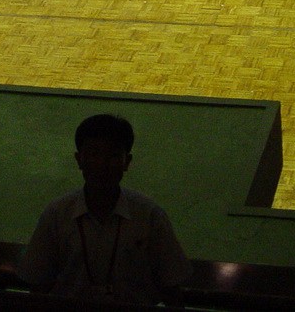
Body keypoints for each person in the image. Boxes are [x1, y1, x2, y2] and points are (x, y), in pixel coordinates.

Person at [18, 114, 192, 304]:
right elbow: (38, 284)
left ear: (127, 162)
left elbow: (172, 288)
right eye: (94, 153)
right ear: (79, 159)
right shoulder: (56, 215)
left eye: (113, 155)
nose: (102, 164)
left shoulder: (150, 216)